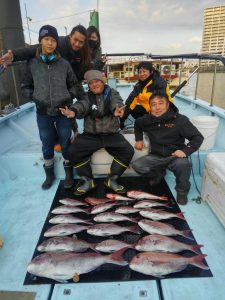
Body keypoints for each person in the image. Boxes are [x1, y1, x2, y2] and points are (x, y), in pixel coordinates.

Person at [21, 25, 83, 190]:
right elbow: (25, 85)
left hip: (62, 112)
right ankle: (49, 174)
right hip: (43, 113)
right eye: (47, 39)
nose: (50, 43)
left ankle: (68, 173)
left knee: (65, 142)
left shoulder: (64, 64)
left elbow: (75, 85)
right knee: (47, 142)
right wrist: (35, 98)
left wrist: (67, 96)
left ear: (57, 43)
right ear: (41, 41)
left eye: (53, 40)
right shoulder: (32, 63)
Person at [59, 70, 134, 196]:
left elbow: (117, 102)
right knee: (72, 152)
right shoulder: (86, 97)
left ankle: (112, 179)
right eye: (91, 83)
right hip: (91, 135)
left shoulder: (113, 92)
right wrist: (73, 111)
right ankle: (88, 181)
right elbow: (81, 105)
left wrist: (117, 109)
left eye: (97, 81)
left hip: (111, 134)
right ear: (88, 86)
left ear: (103, 81)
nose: (95, 84)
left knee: (128, 151)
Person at [132, 91, 204, 205]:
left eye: (161, 103)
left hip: (174, 156)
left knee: (183, 165)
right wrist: (139, 139)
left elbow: (198, 137)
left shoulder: (180, 120)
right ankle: (158, 174)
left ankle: (182, 191)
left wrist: (185, 151)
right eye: (153, 104)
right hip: (156, 155)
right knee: (137, 165)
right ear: (150, 107)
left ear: (168, 104)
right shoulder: (146, 119)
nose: (157, 107)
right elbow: (137, 124)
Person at [0, 24, 91, 82]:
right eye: (75, 39)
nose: (77, 44)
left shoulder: (83, 51)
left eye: (81, 42)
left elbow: (83, 67)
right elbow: (34, 48)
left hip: (70, 86)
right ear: (70, 35)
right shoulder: (59, 43)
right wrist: (14, 55)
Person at [120, 61, 173, 128]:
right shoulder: (138, 86)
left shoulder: (159, 82)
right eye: (139, 72)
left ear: (151, 72)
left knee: (158, 105)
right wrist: (121, 120)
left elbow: (161, 102)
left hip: (164, 112)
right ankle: (147, 124)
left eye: (144, 71)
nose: (142, 74)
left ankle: (155, 125)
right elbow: (130, 102)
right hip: (149, 110)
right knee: (133, 108)